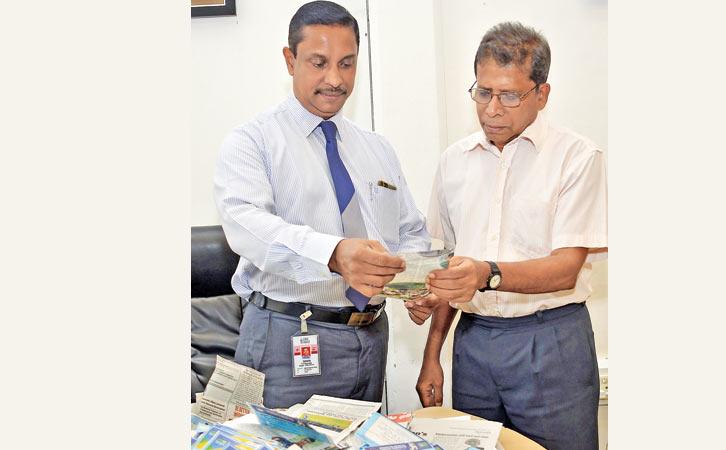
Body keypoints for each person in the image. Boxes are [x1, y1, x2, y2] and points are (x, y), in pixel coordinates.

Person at [214, 0, 429, 408]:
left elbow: (409, 232)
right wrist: (334, 254)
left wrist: (416, 281)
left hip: (370, 336)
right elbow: (248, 225)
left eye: (347, 64)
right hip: (287, 340)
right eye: (318, 62)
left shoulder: (376, 149)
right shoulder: (252, 142)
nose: (335, 79)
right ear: (289, 59)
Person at [413, 22, 608, 450]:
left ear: (542, 93)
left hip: (551, 341)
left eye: (509, 95)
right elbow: (448, 267)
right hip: (475, 341)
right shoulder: (454, 162)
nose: (492, 109)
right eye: (483, 93)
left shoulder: (576, 158)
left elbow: (565, 268)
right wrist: (432, 357)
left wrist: (485, 273)